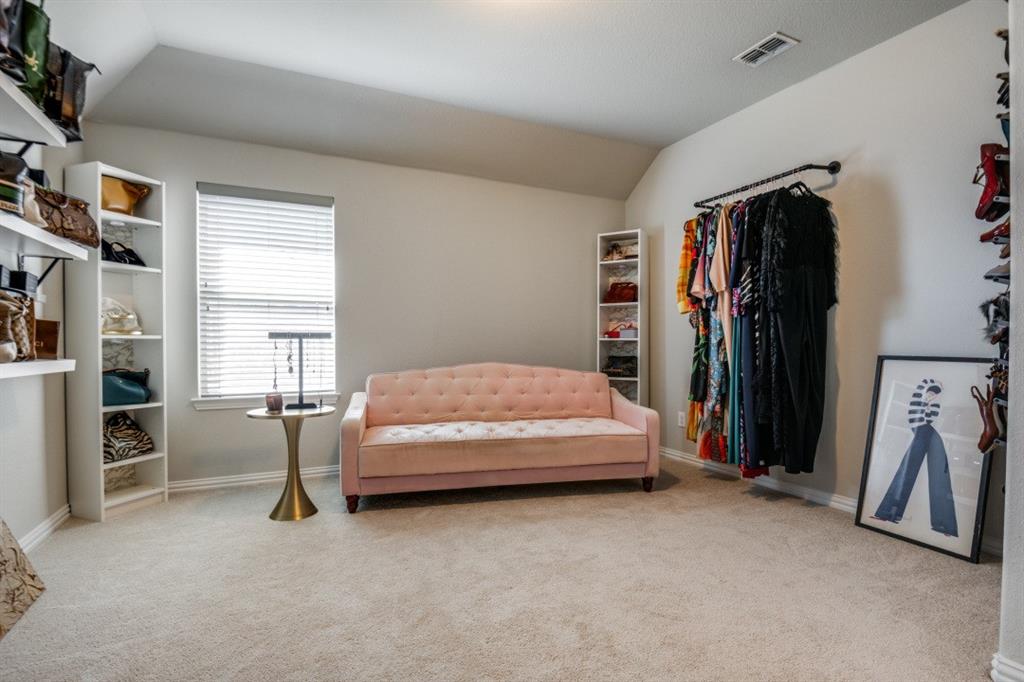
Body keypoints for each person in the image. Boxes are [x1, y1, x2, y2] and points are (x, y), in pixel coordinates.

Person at [871, 379, 958, 537]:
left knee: (934, 473)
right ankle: (889, 513)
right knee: (908, 471)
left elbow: (931, 419)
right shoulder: (919, 398)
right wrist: (931, 392)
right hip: (921, 430)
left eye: (935, 394)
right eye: (931, 393)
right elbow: (916, 416)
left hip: (928, 431)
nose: (932, 396)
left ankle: (944, 525)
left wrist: (932, 403)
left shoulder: (933, 403)